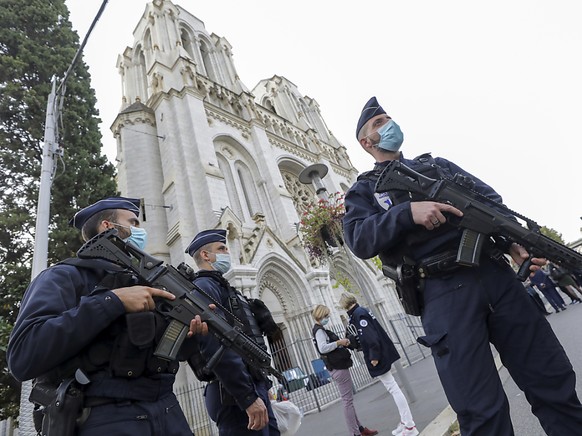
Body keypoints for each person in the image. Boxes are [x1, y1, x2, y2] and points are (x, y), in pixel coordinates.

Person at [342, 96, 582, 435]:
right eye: (379, 123)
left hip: (495, 276)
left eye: (389, 118)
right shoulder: (365, 190)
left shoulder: (437, 166)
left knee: (551, 379)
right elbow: (358, 239)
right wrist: (407, 214)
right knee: (481, 411)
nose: (389, 125)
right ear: (367, 143)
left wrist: (512, 243)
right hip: (442, 292)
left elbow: (491, 203)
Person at [7, 197, 207, 436]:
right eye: (133, 222)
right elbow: (23, 356)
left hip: (167, 410)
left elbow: (158, 353)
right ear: (108, 227)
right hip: (104, 416)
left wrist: (190, 332)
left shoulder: (144, 284)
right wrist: (113, 301)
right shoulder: (64, 277)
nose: (140, 231)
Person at [185, 229, 279, 436]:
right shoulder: (204, 286)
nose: (228, 252)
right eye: (222, 248)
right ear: (205, 255)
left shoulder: (222, 287)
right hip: (231, 392)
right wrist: (246, 396)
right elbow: (215, 346)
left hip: (249, 383)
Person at [338, 293, 418, 436]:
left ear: (344, 304)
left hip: (377, 356)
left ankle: (410, 426)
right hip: (379, 353)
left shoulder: (358, 314)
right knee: (393, 387)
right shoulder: (361, 311)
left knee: (393, 388)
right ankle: (405, 421)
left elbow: (371, 338)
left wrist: (374, 357)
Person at [311, 304, 378, 436]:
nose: (328, 318)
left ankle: (360, 429)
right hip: (338, 367)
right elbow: (323, 348)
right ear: (321, 315)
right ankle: (354, 432)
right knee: (347, 401)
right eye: (326, 316)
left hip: (337, 367)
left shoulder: (320, 330)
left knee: (349, 401)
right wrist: (339, 342)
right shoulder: (319, 331)